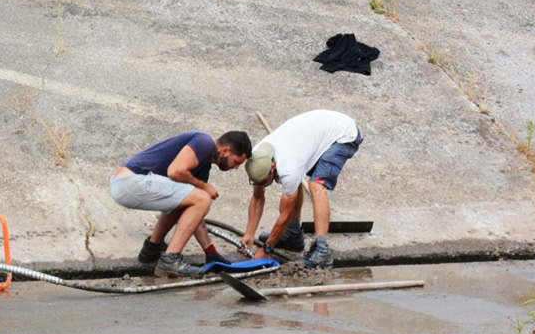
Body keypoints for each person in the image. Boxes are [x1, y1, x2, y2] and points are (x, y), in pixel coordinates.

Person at [111, 130, 252, 277]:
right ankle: (170, 260)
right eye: (237, 162)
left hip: (130, 184)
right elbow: (175, 171)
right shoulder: (204, 142)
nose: (235, 168)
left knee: (190, 200)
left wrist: (210, 252)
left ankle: (152, 249)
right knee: (202, 198)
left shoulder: (203, 167)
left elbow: (195, 216)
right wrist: (204, 187)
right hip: (129, 181)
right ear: (225, 151)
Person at [241, 110, 362, 268]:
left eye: (265, 181)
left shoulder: (288, 167)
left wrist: (267, 249)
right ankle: (293, 234)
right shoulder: (258, 158)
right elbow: (257, 197)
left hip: (343, 134)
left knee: (316, 185)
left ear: (273, 166)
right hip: (316, 134)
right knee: (295, 182)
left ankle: (322, 250)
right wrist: (249, 233)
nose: (263, 185)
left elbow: (284, 215)